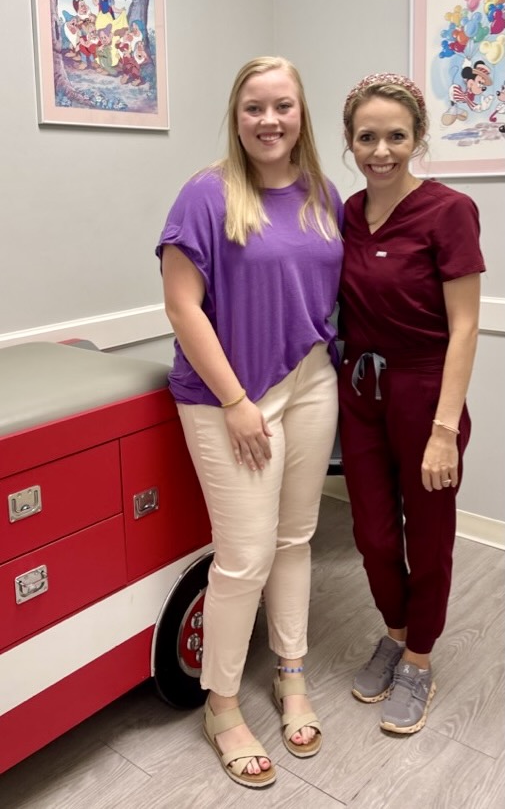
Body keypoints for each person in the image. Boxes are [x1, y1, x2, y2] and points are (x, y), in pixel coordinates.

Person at [156, 56, 344, 788]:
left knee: (297, 537)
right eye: (253, 108)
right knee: (243, 558)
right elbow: (181, 306)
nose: (269, 121)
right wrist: (236, 401)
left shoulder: (322, 194)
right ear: (236, 117)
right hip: (228, 394)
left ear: (302, 113)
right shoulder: (205, 194)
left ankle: (291, 675)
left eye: (283, 107)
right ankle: (222, 703)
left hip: (310, 379)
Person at [337, 72, 485, 735]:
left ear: (418, 139)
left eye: (395, 135)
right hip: (360, 393)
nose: (381, 150)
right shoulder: (345, 212)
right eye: (366, 136)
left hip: (426, 394)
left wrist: (442, 430)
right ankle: (394, 633)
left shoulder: (449, 211)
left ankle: (418, 660)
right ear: (349, 142)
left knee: (427, 542)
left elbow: (465, 326)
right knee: (370, 535)